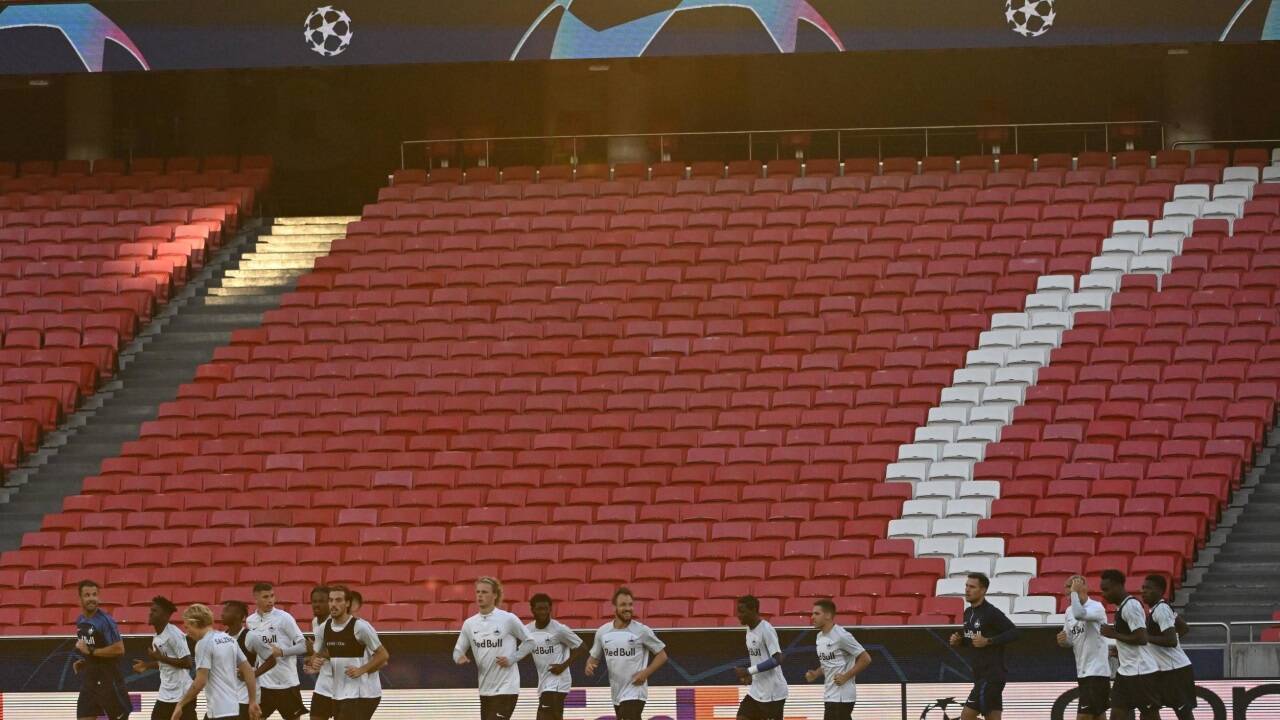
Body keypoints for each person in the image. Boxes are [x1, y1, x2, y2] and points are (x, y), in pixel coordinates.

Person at [453, 577, 535, 720]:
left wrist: (511, 659)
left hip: (507, 687)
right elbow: (458, 649)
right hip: (485, 689)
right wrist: (459, 657)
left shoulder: (508, 619)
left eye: (484, 592)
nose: (480, 595)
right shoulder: (470, 624)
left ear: (495, 595)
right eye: (478, 592)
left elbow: (530, 642)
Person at [584, 587, 669, 720]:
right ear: (614, 607)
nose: (628, 608)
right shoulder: (603, 632)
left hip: (635, 691)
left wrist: (645, 673)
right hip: (617, 693)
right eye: (623, 605)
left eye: (630, 604)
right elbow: (593, 658)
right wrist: (589, 665)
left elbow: (662, 655)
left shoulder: (642, 631)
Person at [307, 585, 389, 720]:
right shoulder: (322, 627)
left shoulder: (361, 627)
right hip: (335, 690)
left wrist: (362, 670)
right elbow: (318, 654)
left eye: (338, 600)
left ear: (348, 604)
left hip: (361, 692)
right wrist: (313, 662)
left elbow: (383, 657)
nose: (333, 604)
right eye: (331, 600)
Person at [170, 604, 261, 720]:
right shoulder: (229, 639)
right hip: (234, 709)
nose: (187, 633)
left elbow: (200, 682)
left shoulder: (203, 644)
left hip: (218, 712)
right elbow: (248, 670)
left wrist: (180, 704)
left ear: (194, 623)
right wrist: (252, 701)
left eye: (187, 627)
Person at [949, 572, 1019, 720]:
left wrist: (988, 641)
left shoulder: (991, 612)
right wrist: (959, 641)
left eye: (972, 587)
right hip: (980, 675)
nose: (967, 590)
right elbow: (972, 641)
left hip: (991, 676)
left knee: (966, 717)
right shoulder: (968, 612)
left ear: (983, 590)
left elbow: (1014, 632)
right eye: (966, 586)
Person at [1099, 569, 1159, 720]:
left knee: (1149, 716)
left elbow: (1142, 638)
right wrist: (1120, 649)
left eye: (1106, 589)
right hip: (1126, 672)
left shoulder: (1131, 606)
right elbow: (1132, 636)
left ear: (1118, 586)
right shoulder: (1122, 607)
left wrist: (1113, 634)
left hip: (1141, 673)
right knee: (1117, 714)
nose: (1103, 594)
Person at [245, 582, 309, 720]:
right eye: (265, 597)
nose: (270, 600)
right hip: (264, 684)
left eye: (272, 596)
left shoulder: (284, 618)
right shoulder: (251, 621)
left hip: (287, 682)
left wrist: (281, 652)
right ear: (255, 599)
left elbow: (303, 646)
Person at [804, 598, 870, 720]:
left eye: (817, 613)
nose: (812, 617)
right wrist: (816, 673)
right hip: (830, 695)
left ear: (828, 615)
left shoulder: (842, 636)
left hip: (842, 697)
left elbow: (865, 658)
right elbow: (828, 664)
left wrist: (846, 676)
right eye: (812, 613)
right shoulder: (819, 636)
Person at [73, 579, 130, 720]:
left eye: (94, 594)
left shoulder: (106, 621)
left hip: (109, 679)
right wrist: (85, 660)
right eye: (87, 595)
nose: (91, 598)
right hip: (91, 679)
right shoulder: (80, 620)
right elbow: (91, 647)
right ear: (79, 599)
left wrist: (91, 652)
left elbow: (119, 649)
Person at [1142, 574, 1196, 720]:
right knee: (1148, 711)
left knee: (1183, 714)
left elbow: (1170, 640)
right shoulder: (1160, 609)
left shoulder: (1161, 609)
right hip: (1162, 671)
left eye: (1148, 588)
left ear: (1160, 591)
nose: (1143, 591)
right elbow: (1184, 628)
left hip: (1175, 671)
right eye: (1143, 588)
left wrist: (1146, 638)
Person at [523, 593, 586, 720]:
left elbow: (582, 647)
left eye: (546, 608)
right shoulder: (527, 630)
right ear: (532, 610)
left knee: (543, 716)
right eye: (540, 609)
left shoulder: (559, 629)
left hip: (558, 682)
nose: (543, 612)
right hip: (544, 682)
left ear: (550, 609)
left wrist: (563, 666)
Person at [1055, 576, 1110, 720]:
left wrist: (1074, 593)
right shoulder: (1068, 612)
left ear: (1083, 587)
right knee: (1098, 715)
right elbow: (1071, 640)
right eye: (1067, 592)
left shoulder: (1096, 607)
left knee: (1084, 716)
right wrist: (1064, 641)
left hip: (1097, 671)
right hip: (1083, 671)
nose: (1068, 595)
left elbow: (1080, 614)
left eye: (1071, 589)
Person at [132, 596, 194, 720]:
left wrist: (161, 658)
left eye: (155, 611)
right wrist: (147, 665)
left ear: (165, 616)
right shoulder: (157, 636)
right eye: (151, 610)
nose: (150, 613)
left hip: (182, 694)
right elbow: (166, 663)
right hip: (166, 693)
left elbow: (188, 663)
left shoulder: (174, 634)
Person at [731, 595, 788, 720]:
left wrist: (748, 671)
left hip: (773, 693)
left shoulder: (766, 629)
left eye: (742, 611)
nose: (738, 615)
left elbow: (778, 658)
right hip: (756, 691)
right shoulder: (749, 631)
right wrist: (751, 676)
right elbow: (759, 659)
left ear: (754, 610)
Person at [224, 600, 273, 717]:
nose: (222, 614)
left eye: (226, 611)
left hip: (245, 697)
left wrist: (252, 674)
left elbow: (271, 660)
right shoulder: (223, 637)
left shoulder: (251, 637)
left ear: (239, 616)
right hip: (227, 697)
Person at [304, 586, 336, 720]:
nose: (316, 605)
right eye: (314, 601)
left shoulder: (336, 623)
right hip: (323, 684)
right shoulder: (315, 622)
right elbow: (322, 652)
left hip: (342, 684)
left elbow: (337, 650)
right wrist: (313, 658)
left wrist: (314, 655)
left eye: (321, 601)